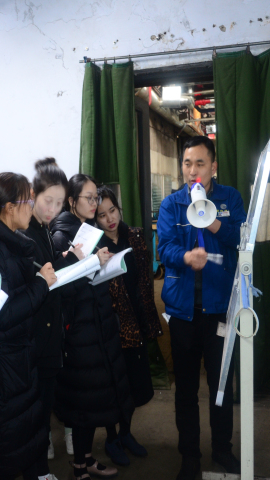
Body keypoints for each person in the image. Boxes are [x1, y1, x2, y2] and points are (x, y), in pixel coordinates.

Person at [157, 136, 246, 480]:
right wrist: (185, 257)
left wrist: (213, 223)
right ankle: (190, 456)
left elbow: (242, 238)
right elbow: (164, 249)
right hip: (183, 312)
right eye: (187, 163)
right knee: (186, 390)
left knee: (221, 387)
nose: (192, 170)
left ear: (213, 167)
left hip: (220, 309)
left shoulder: (229, 198)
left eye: (200, 163)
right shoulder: (172, 204)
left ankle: (222, 449)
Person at [0, 172, 57, 480]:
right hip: (1, 366)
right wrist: (40, 285)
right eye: (28, 201)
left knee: (18, 440)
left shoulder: (9, 242)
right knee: (1, 449)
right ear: (9, 207)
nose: (33, 207)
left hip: (15, 359)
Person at [50, 174, 133, 480]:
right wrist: (90, 264)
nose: (95, 203)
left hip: (96, 323)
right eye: (89, 198)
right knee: (84, 403)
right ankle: (79, 468)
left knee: (92, 400)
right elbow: (61, 287)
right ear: (72, 202)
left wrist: (104, 265)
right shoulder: (62, 236)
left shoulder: (88, 229)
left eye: (96, 197)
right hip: (80, 331)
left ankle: (85, 460)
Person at [20, 158, 84, 479]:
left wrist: (64, 259)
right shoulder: (26, 232)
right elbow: (40, 277)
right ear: (33, 194)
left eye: (59, 203)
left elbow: (47, 267)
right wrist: (68, 262)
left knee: (44, 405)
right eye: (48, 201)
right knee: (36, 410)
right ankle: (38, 471)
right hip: (36, 338)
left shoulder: (43, 228)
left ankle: (40, 469)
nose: (53, 209)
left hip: (49, 334)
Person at [95, 186, 162, 466]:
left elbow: (144, 279)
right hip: (112, 326)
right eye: (102, 215)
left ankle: (126, 433)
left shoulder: (133, 235)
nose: (109, 218)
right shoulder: (96, 247)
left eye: (112, 210)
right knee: (114, 388)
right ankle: (112, 439)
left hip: (138, 319)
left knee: (134, 384)